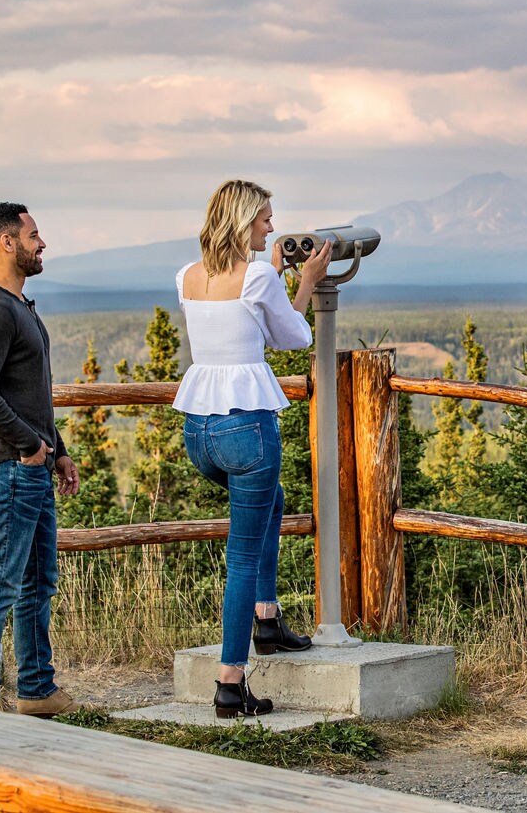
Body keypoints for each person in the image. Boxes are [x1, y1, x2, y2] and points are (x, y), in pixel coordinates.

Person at [175, 179, 332, 718]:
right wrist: (306, 282)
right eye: (265, 218)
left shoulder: (189, 276)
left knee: (274, 500)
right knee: (241, 555)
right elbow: (293, 338)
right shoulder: (260, 275)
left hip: (200, 431)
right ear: (244, 221)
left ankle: (267, 618)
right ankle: (230, 681)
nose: (272, 227)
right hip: (247, 426)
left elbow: (237, 327)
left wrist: (275, 277)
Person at [0, 203, 80, 716]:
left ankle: (36, 690)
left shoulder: (19, 306)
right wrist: (30, 446)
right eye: (34, 234)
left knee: (36, 582)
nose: (42, 242)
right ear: (7, 242)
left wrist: (58, 452)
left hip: (30, 466)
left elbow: (33, 393)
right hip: (8, 467)